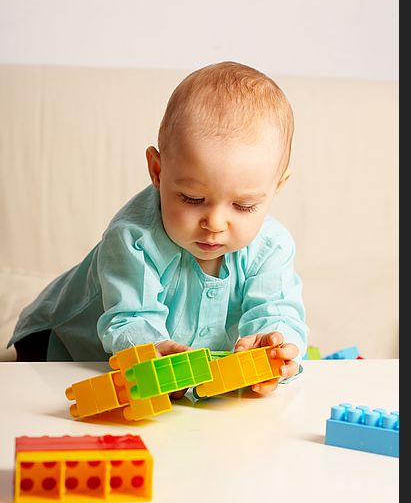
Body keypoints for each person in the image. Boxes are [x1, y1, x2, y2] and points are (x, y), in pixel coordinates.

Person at [8, 61, 308, 395]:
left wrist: (275, 348)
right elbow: (130, 320)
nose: (215, 223)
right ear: (157, 171)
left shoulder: (272, 246)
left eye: (244, 206)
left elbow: (278, 311)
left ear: (276, 188)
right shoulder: (134, 238)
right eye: (193, 199)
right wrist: (152, 351)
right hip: (61, 345)